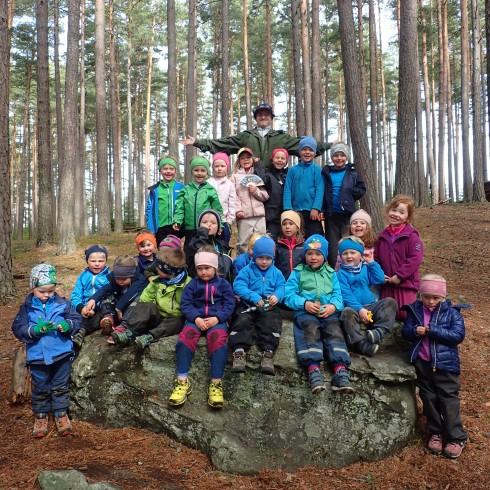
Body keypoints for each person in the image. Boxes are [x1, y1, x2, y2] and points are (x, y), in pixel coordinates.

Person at [401, 274, 467, 459]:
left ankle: (456, 437)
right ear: (420, 294)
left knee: (448, 400)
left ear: (443, 297)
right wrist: (414, 331)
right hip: (424, 363)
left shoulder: (452, 312)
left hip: (446, 366)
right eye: (426, 296)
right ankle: (435, 432)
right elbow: (405, 331)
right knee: (428, 398)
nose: (430, 301)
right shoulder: (415, 310)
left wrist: (431, 330)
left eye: (435, 297)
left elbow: (457, 335)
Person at [12, 264, 81, 438]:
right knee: (41, 387)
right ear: (33, 287)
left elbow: (76, 319)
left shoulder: (63, 304)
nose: (47, 295)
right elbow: (18, 328)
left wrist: (68, 326)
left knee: (60, 386)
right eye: (42, 291)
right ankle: (41, 416)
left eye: (51, 290)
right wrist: (34, 330)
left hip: (61, 354)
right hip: (37, 357)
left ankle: (61, 414)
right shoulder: (26, 308)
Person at [284, 234, 353, 394]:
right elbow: (288, 295)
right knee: (309, 329)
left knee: (334, 330)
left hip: (327, 312)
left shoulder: (331, 273)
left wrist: (332, 306)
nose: (313, 257)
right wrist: (304, 304)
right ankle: (313, 369)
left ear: (324, 256)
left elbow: (338, 296)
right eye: (309, 254)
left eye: (317, 254)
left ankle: (340, 370)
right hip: (306, 312)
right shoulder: (298, 272)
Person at [168, 249, 235, 408]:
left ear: (215, 268)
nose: (203, 272)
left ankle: (216, 383)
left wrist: (218, 318)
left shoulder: (223, 284)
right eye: (200, 268)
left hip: (215, 320)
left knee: (218, 342)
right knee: (185, 339)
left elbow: (230, 304)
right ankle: (182, 380)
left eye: (207, 268)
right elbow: (186, 304)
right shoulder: (192, 284)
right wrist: (195, 318)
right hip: (195, 320)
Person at [181, 102, 331, 168]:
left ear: (271, 118)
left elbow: (306, 146)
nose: (263, 117)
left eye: (267, 115)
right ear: (256, 118)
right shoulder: (246, 136)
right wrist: (197, 142)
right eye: (260, 115)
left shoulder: (281, 137)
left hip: (275, 182)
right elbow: (222, 143)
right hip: (250, 182)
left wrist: (330, 146)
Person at [111, 248, 191, 350]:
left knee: (178, 321)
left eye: (158, 267)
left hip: (172, 319)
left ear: (168, 270)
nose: (156, 269)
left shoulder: (187, 284)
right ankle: (129, 332)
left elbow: (188, 305)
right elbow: (145, 297)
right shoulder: (157, 281)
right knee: (145, 306)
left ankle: (149, 337)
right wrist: (146, 309)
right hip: (157, 315)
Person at [230, 236, 285, 375]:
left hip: (268, 305)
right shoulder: (247, 270)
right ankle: (239, 351)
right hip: (248, 303)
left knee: (271, 322)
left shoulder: (276, 273)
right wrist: (253, 296)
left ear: (273, 258)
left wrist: (277, 296)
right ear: (254, 256)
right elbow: (238, 285)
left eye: (268, 258)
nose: (264, 262)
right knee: (242, 320)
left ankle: (268, 352)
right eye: (261, 258)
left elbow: (282, 287)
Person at [337, 236, 397, 356]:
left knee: (390, 302)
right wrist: (360, 310)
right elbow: (346, 295)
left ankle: (379, 331)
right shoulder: (340, 274)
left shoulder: (366, 268)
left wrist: (371, 262)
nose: (349, 256)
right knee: (346, 313)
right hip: (354, 308)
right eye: (345, 253)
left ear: (360, 255)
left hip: (371, 305)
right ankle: (360, 344)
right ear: (341, 256)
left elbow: (379, 279)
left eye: (353, 252)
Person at [375, 195, 424, 318]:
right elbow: (376, 258)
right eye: (393, 210)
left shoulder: (412, 236)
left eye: (401, 212)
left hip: (405, 284)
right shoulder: (381, 237)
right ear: (388, 211)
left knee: (404, 313)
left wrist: (400, 276)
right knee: (384, 314)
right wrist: (380, 274)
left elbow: (415, 258)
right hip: (386, 284)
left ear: (407, 217)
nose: (396, 214)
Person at [321, 142, 366, 268]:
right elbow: (322, 191)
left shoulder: (353, 173)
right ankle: (333, 271)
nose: (339, 158)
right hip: (331, 215)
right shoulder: (326, 172)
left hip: (348, 214)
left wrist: (351, 194)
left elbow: (362, 188)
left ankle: (351, 268)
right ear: (331, 157)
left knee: (349, 243)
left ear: (346, 157)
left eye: (342, 155)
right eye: (336, 155)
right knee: (333, 246)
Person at [172, 155, 223, 264]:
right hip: (189, 229)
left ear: (207, 173)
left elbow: (217, 210)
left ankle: (205, 273)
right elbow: (179, 207)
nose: (199, 173)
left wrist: (220, 225)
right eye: (196, 170)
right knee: (189, 253)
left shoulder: (210, 190)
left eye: (203, 171)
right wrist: (178, 220)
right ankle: (190, 276)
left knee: (204, 253)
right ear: (192, 172)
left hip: (205, 230)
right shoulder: (186, 190)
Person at [84, 255, 146, 339]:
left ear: (132, 276)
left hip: (129, 311)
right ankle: (108, 318)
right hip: (117, 312)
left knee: (137, 300)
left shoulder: (140, 280)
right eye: (118, 278)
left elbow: (131, 293)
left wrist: (119, 307)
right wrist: (93, 299)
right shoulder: (114, 279)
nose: (120, 281)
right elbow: (105, 289)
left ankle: (124, 327)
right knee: (107, 296)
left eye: (123, 279)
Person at [70, 245, 111, 348]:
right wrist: (81, 308)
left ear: (106, 261)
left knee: (103, 308)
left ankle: (86, 330)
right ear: (87, 261)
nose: (97, 264)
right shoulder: (83, 276)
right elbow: (75, 294)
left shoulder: (109, 276)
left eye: (101, 261)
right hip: (84, 308)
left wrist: (95, 307)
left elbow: (110, 293)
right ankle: (78, 334)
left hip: (102, 306)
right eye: (93, 261)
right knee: (74, 316)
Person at [283, 136, 324, 238]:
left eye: (310, 150)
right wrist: (288, 208)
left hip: (312, 212)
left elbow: (320, 189)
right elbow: (287, 189)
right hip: (295, 211)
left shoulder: (317, 169)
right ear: (299, 152)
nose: (307, 152)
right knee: (297, 237)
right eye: (304, 149)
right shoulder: (293, 170)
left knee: (315, 237)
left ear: (314, 153)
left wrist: (316, 208)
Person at [231, 147, 269, 253]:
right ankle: (243, 265)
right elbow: (233, 196)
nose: (246, 160)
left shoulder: (258, 174)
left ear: (252, 159)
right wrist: (238, 210)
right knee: (243, 243)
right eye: (242, 158)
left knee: (261, 240)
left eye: (248, 157)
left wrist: (256, 191)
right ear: (238, 161)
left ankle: (261, 262)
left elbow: (265, 196)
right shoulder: (234, 177)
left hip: (259, 216)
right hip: (244, 216)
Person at [145, 156, 185, 244]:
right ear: (160, 170)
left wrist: (183, 225)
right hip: (160, 228)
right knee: (162, 254)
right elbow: (149, 210)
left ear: (175, 171)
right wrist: (151, 229)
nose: (168, 171)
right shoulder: (155, 190)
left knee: (176, 254)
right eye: (165, 168)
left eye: (171, 169)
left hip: (177, 227)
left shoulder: (182, 187)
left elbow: (186, 207)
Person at [187, 209, 233, 279]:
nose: (208, 225)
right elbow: (202, 251)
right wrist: (203, 233)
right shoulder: (195, 242)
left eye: (213, 223)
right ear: (199, 226)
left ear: (218, 228)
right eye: (204, 222)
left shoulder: (221, 244)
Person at [207, 152, 238, 246]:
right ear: (212, 167)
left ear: (227, 167)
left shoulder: (230, 184)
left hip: (224, 221)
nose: (219, 168)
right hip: (209, 221)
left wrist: (229, 221)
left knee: (223, 245)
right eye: (216, 166)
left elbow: (232, 204)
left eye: (222, 166)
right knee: (208, 245)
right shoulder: (208, 183)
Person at [264, 148, 289, 240]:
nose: (280, 160)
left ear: (286, 161)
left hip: (286, 216)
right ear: (272, 160)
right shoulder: (267, 175)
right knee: (271, 240)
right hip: (271, 217)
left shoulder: (288, 175)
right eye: (277, 158)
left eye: (283, 158)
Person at [275, 210, 304, 280]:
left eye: (291, 224)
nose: (287, 227)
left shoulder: (304, 245)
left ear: (297, 227)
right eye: (284, 224)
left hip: (301, 283)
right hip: (283, 282)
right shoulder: (277, 246)